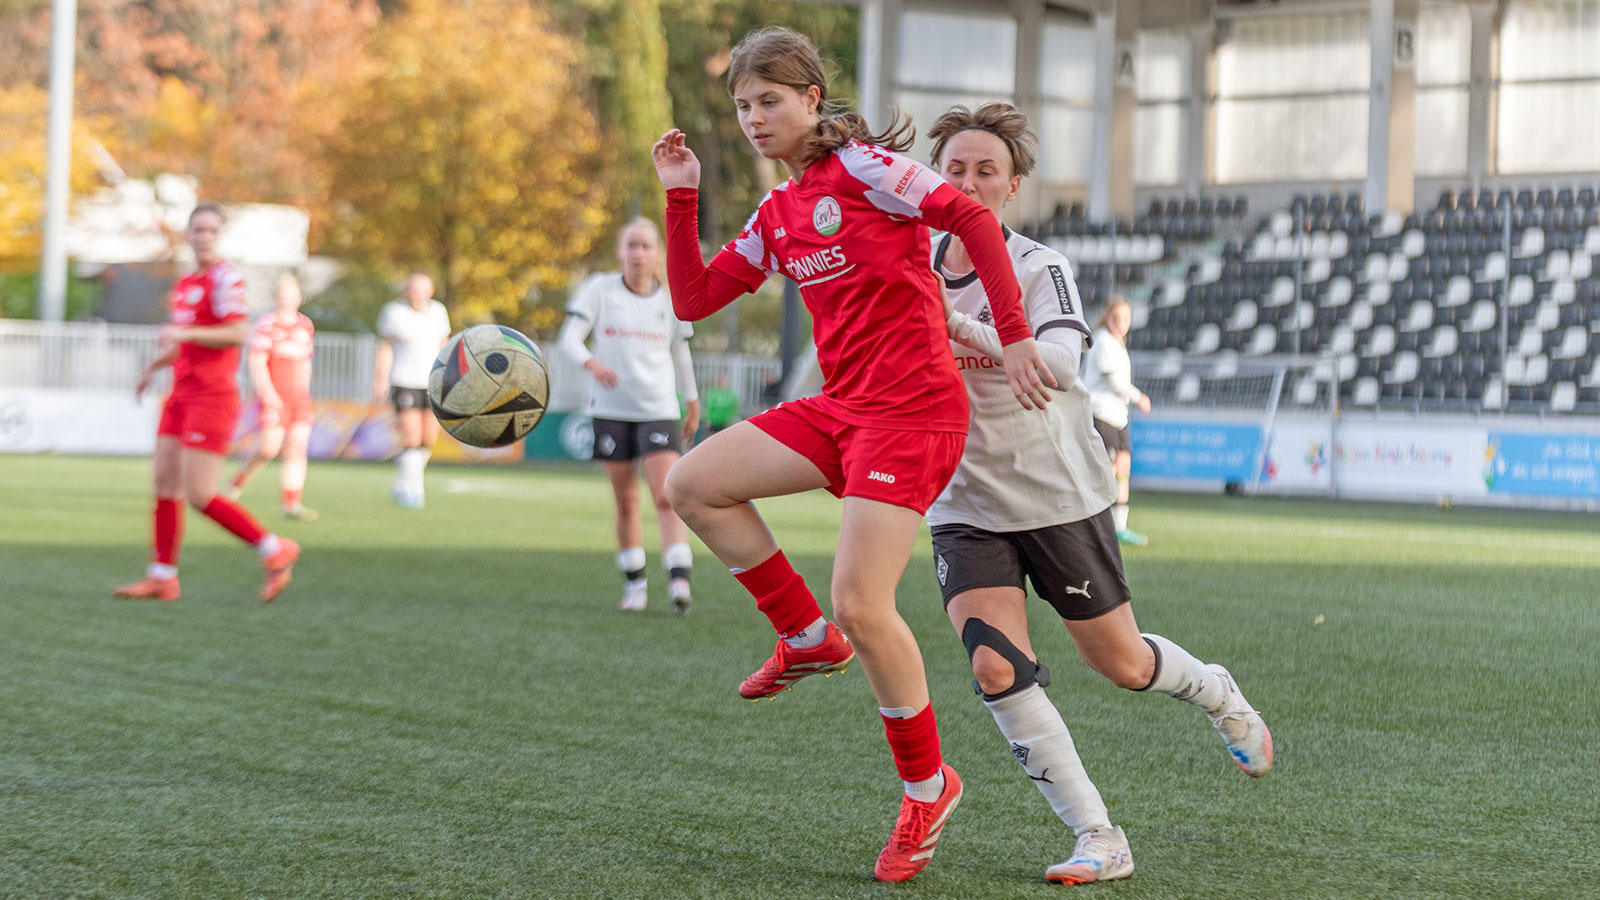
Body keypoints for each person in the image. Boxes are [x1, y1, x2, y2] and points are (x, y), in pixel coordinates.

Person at [651, 25, 1053, 884]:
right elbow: (692, 296)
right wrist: (681, 195)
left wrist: (1014, 338)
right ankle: (802, 635)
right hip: (843, 407)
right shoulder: (776, 213)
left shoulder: (868, 170)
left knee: (864, 605)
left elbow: (973, 220)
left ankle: (927, 785)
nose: (755, 118)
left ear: (809, 98)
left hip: (913, 415)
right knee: (693, 484)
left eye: (769, 102)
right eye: (742, 106)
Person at [925, 102, 1273, 886]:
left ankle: (1216, 691)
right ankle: (1098, 833)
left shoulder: (1038, 266)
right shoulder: (907, 263)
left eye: (987, 171)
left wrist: (958, 325)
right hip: (960, 502)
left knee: (1120, 662)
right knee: (993, 666)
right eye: (954, 170)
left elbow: (1058, 368)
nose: (969, 182)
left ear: (1012, 187)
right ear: (930, 181)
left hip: (1056, 494)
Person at [114, 203, 301, 603]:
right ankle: (162, 576)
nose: (204, 237)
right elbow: (186, 340)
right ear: (188, 234)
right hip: (180, 393)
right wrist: (154, 366)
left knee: (200, 493)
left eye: (211, 231)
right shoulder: (185, 284)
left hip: (212, 396)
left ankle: (274, 549)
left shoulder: (225, 279)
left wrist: (185, 336)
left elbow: (236, 333)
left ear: (219, 236)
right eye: (198, 230)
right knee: (164, 484)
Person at [558, 217, 701, 613]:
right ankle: (635, 586)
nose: (639, 253)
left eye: (646, 246)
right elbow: (568, 338)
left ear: (657, 253)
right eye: (632, 245)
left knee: (667, 495)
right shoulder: (600, 290)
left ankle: (679, 580)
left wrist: (692, 400)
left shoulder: (671, 299)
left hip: (658, 409)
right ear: (621, 252)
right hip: (610, 410)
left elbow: (680, 352)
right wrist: (592, 364)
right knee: (625, 500)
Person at [226, 273, 319, 520]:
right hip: (274, 397)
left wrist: (304, 392)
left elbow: (305, 363)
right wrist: (267, 394)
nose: (287, 299)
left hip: (299, 399)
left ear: (299, 296)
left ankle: (291, 504)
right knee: (269, 448)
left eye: (291, 293)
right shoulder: (266, 324)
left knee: (297, 447)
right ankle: (235, 484)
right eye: (282, 294)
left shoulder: (305, 325)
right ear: (275, 297)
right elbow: (257, 362)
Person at [373, 271, 451, 509]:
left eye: (422, 289)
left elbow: (444, 346)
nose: (417, 294)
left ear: (430, 291)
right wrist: (380, 379)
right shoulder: (394, 312)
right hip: (404, 380)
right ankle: (414, 490)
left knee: (427, 439)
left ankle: (401, 483)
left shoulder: (438, 312)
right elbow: (385, 347)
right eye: (413, 289)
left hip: (432, 384)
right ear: (407, 290)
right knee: (412, 437)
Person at [1082, 296, 1152, 545]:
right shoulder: (1102, 341)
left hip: (1118, 417)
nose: (1122, 323)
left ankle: (1120, 527)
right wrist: (1139, 397)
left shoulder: (1116, 343)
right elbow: (1114, 382)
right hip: (1101, 414)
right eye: (1117, 318)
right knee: (1106, 471)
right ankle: (1093, 523)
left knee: (1123, 467)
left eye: (1126, 318)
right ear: (1108, 318)